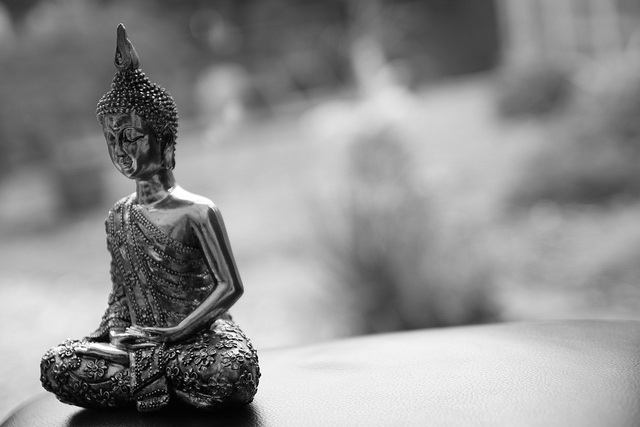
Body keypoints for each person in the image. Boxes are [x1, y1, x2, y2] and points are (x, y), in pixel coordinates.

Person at [40, 24, 260, 412]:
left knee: (231, 371)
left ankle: (142, 378)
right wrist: (114, 336)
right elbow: (120, 297)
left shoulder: (197, 211)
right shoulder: (118, 216)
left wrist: (174, 332)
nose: (120, 151)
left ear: (167, 142)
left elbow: (230, 287)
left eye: (131, 137)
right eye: (112, 140)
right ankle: (154, 377)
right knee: (57, 365)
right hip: (140, 344)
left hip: (198, 338)